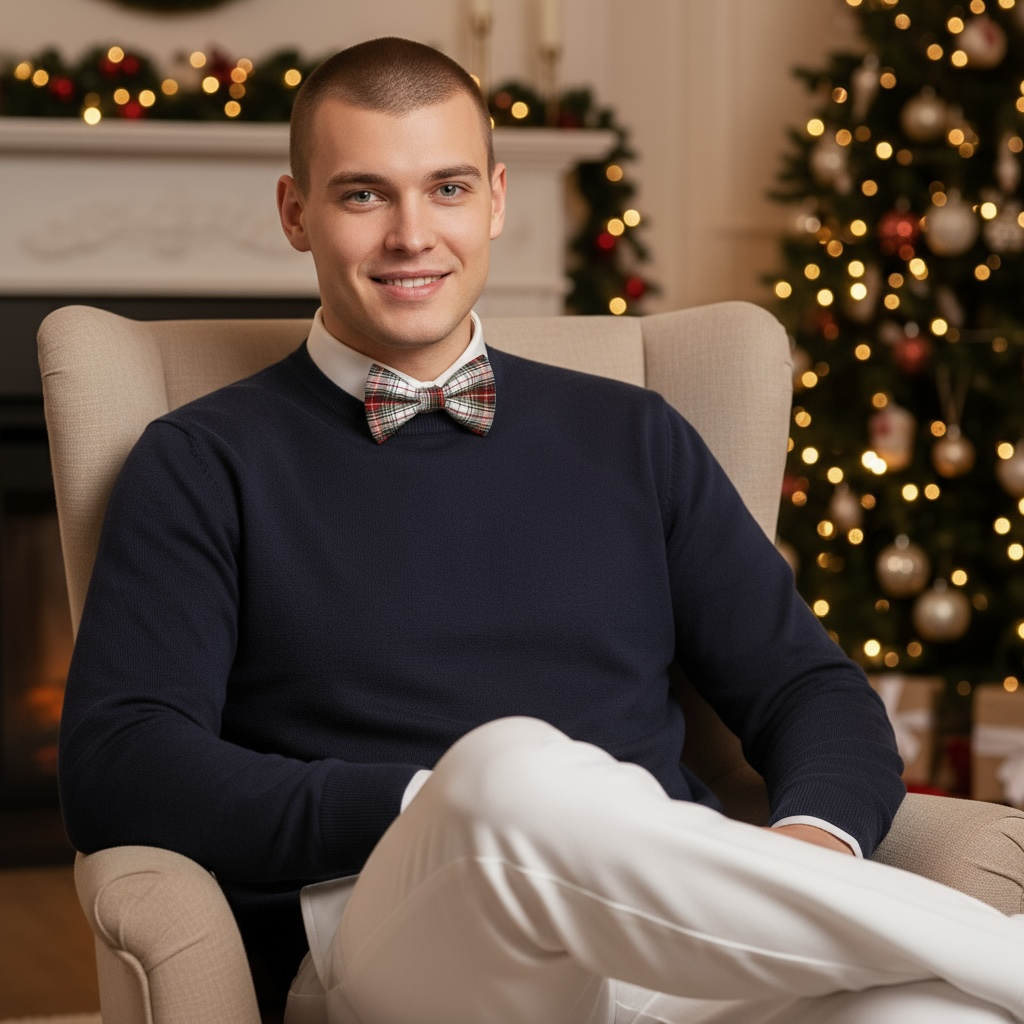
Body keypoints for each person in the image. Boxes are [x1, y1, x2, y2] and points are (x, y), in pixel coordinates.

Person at [58, 36, 1024, 1024]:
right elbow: (121, 759)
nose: (410, 234)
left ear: (497, 200)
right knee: (508, 764)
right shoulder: (201, 460)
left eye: (446, 188)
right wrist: (429, 806)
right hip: (391, 931)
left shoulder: (633, 433)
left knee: (932, 1017)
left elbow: (805, 688)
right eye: (362, 195)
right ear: (296, 212)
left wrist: (807, 854)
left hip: (665, 935)